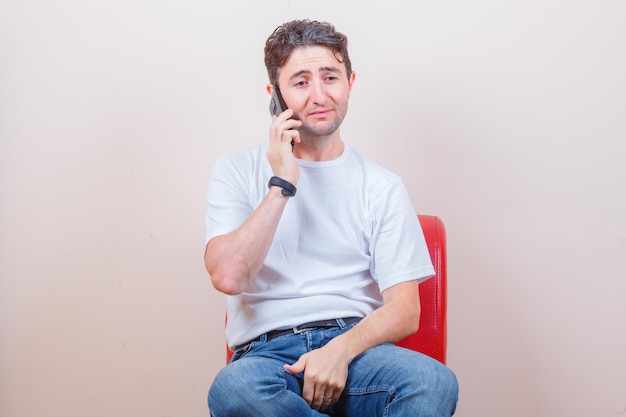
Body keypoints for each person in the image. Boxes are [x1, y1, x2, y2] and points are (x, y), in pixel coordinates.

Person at [204, 19, 458, 417]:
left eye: (330, 77)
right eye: (301, 82)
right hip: (267, 359)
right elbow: (229, 277)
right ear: (276, 95)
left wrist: (338, 351)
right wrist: (280, 184)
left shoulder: (382, 185)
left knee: (432, 381)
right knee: (233, 390)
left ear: (350, 82)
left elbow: (405, 310)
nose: (319, 95)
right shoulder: (234, 171)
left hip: (358, 351)